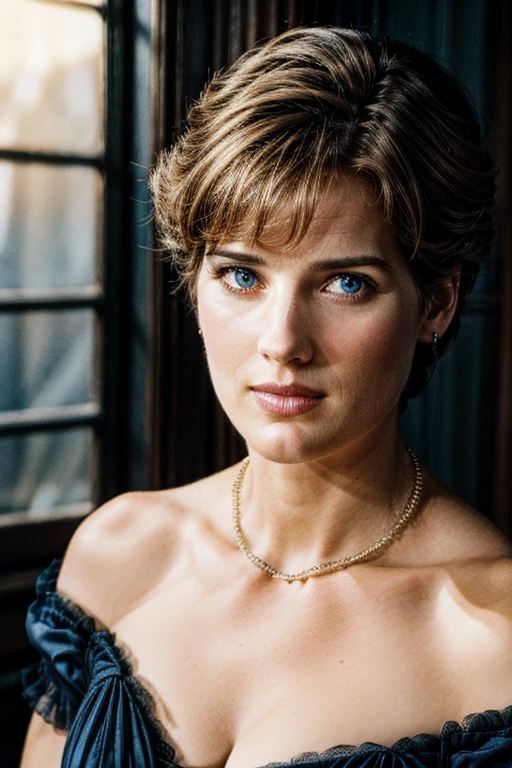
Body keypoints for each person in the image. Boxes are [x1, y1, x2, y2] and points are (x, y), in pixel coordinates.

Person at [20, 25, 512, 768]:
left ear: (436, 304)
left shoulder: (490, 634)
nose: (283, 341)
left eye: (347, 284)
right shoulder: (120, 553)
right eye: (242, 276)